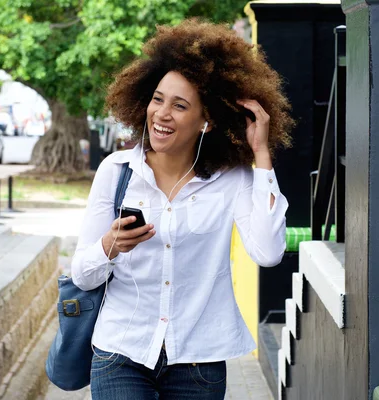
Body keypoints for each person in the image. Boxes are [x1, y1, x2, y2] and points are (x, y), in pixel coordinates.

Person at [71, 19, 294, 400]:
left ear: (206, 121)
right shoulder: (116, 171)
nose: (162, 114)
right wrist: (110, 244)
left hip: (198, 363)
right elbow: (82, 275)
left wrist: (261, 154)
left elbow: (269, 253)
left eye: (179, 105)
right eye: (158, 99)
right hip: (121, 352)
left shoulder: (233, 180)